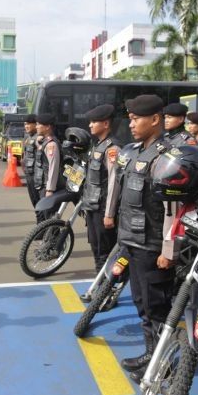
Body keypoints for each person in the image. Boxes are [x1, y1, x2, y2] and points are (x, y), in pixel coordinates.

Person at [114, 94, 177, 383]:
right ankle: (150, 355)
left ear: (155, 120)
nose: (131, 124)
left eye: (137, 118)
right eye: (130, 118)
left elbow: (174, 209)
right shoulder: (134, 151)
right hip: (134, 241)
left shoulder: (169, 156)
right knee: (142, 303)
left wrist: (168, 249)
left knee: (158, 307)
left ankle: (162, 364)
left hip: (153, 245)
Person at [80, 104, 122, 272]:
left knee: (105, 252)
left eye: (94, 122)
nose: (90, 125)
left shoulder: (112, 149)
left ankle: (106, 292)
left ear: (105, 124)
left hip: (103, 208)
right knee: (96, 250)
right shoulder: (98, 145)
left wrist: (109, 214)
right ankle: (100, 288)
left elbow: (114, 182)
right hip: (92, 206)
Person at [33, 113, 63, 222]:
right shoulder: (46, 141)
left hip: (49, 187)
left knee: (49, 217)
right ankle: (50, 238)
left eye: (38, 124)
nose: (36, 127)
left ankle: (54, 238)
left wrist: (50, 189)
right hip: (44, 185)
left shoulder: (51, 145)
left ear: (47, 127)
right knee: (45, 215)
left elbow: (53, 168)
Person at [21, 115, 41, 222]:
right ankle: (40, 225)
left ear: (35, 124)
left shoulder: (39, 138)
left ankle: (42, 226)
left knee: (39, 202)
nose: (26, 126)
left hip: (36, 175)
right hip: (29, 174)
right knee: (34, 201)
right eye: (25, 124)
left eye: (29, 124)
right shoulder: (28, 137)